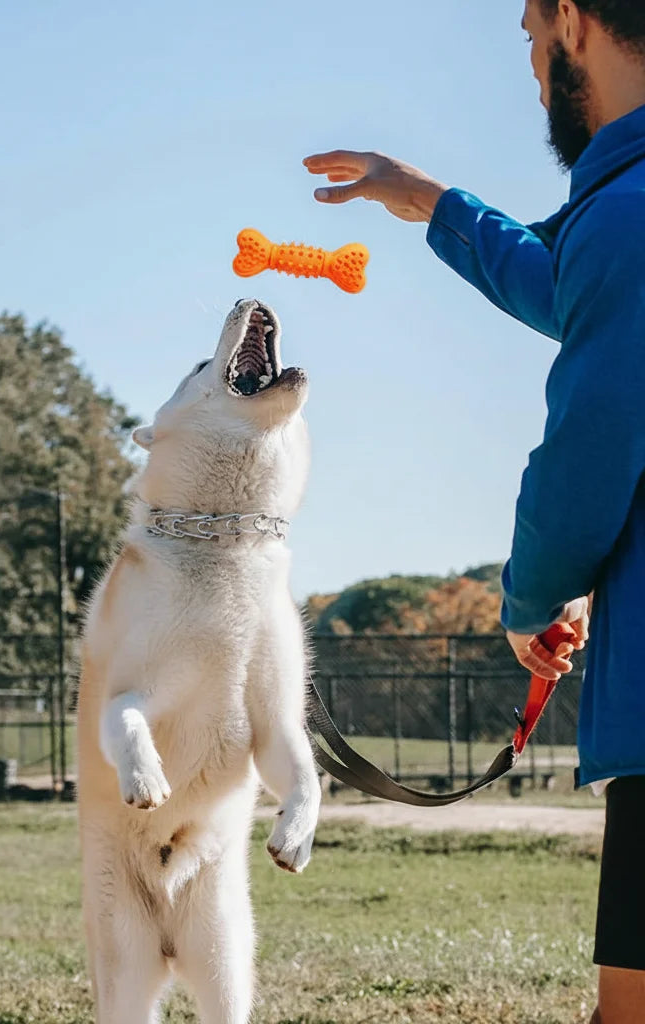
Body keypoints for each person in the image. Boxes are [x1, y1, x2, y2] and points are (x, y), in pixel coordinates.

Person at [303, 1, 645, 1021]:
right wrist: (431, 203)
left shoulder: (629, 214)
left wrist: (532, 596)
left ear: (572, 22)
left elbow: (586, 457)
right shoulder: (621, 215)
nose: (531, 65)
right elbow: (575, 286)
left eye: (531, 33)